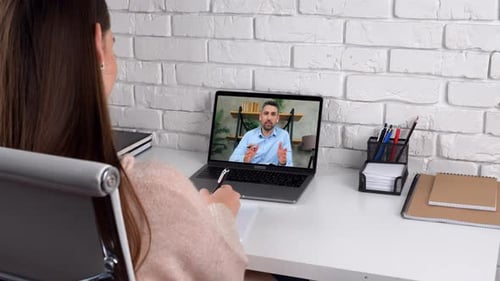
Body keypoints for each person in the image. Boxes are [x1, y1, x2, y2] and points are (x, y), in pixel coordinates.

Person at [0, 1, 275, 280]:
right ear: (98, 49)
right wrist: (220, 213)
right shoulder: (151, 190)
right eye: (113, 44)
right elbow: (226, 273)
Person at [230, 101, 293, 166]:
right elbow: (232, 160)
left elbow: (290, 165)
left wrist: (283, 163)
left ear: (277, 118)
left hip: (273, 174)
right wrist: (244, 159)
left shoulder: (284, 135)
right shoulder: (249, 135)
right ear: (260, 116)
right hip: (251, 172)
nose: (269, 118)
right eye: (266, 113)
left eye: (273, 114)